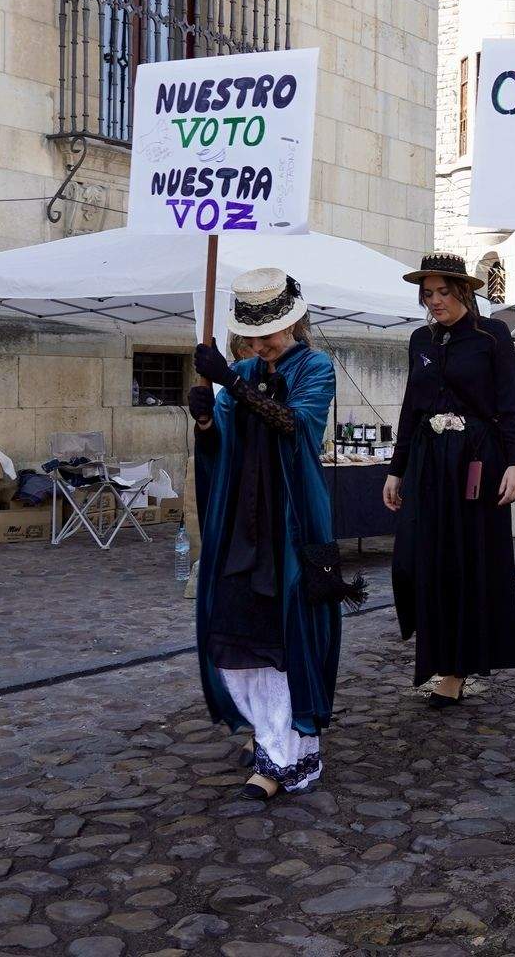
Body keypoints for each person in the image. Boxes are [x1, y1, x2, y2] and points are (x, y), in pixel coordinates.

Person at [190, 268, 341, 800]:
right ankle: (269, 739)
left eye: (271, 333)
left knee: (285, 637)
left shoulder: (316, 366)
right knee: (235, 633)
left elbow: (295, 426)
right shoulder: (245, 369)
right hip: (242, 524)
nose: (262, 345)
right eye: (253, 337)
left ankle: (285, 754)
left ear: (295, 322)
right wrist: (207, 421)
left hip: (291, 521)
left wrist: (231, 383)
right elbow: (223, 448)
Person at [385, 253, 515, 707]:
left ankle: (454, 669)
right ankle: (436, 653)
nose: (435, 301)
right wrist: (396, 467)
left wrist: (514, 461)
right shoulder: (419, 339)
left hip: (475, 462)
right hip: (428, 462)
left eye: (444, 292)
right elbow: (410, 407)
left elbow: (509, 404)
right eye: (428, 293)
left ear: (464, 291)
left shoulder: (493, 336)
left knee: (466, 562)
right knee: (418, 559)